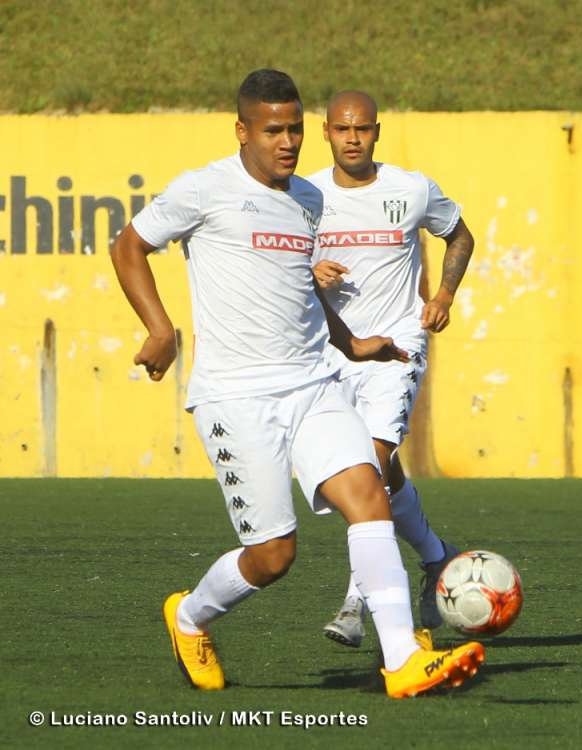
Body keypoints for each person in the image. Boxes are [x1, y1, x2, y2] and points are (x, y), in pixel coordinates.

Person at [109, 69, 484, 698]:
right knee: (273, 557)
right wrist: (160, 327)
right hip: (237, 397)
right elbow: (128, 246)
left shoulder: (309, 201)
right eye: (273, 130)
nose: (288, 142)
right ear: (242, 131)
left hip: (313, 383)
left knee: (367, 489)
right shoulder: (204, 190)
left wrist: (351, 343)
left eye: (295, 130)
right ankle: (190, 615)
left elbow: (298, 295)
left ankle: (401, 661)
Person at [307, 90, 475, 647]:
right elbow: (281, 263)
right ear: (326, 132)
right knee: (373, 472)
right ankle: (437, 557)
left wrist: (444, 295)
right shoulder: (306, 197)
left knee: (368, 468)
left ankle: (357, 603)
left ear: (376, 132)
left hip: (396, 348)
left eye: (362, 129)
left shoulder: (411, 188)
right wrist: (311, 271)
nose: (352, 139)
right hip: (332, 351)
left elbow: (459, 234)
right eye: (341, 129)